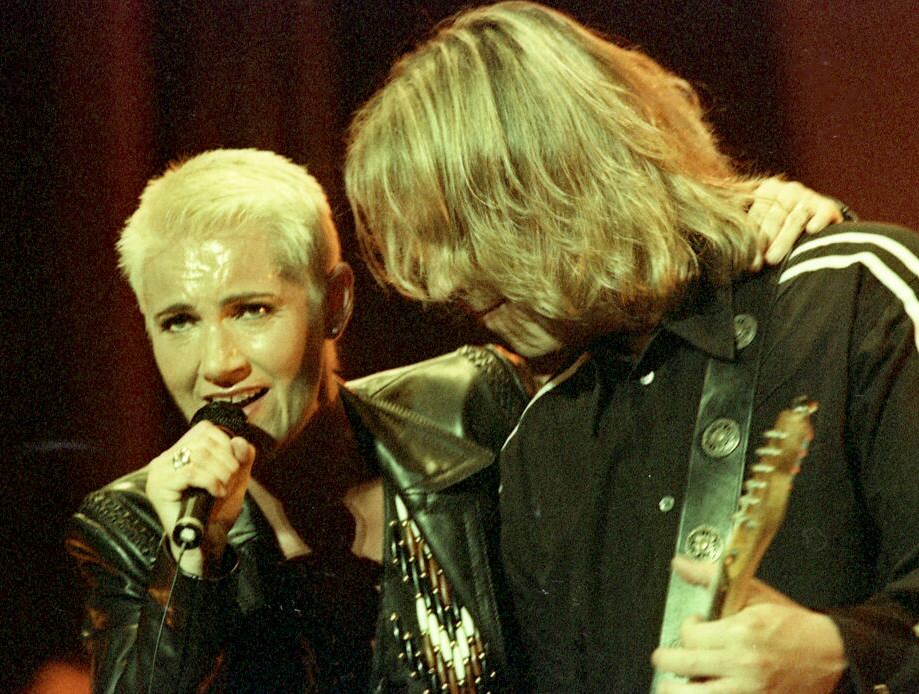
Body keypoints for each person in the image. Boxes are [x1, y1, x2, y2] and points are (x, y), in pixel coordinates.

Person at [66, 146, 838, 693]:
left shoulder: (471, 405)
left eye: (251, 310)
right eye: (178, 322)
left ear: (336, 304)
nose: (217, 362)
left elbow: (638, 374)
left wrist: (751, 230)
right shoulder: (131, 528)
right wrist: (192, 565)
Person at [343, 2, 919, 693]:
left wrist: (840, 653)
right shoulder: (543, 440)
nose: (439, 285)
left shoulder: (855, 296)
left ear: (557, 178)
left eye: (456, 232)